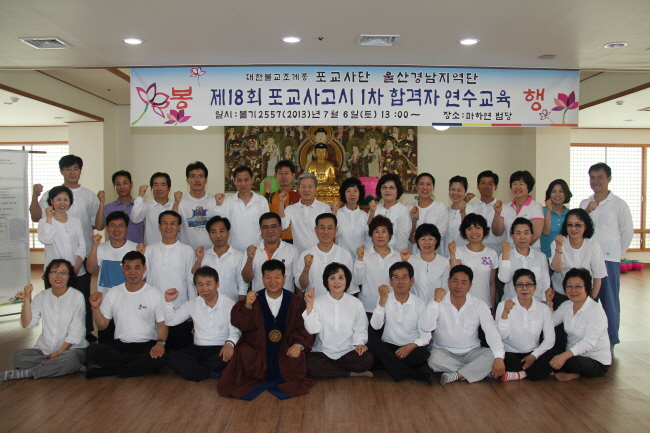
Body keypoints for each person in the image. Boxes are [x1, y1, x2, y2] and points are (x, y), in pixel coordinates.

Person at [217, 260, 314, 400]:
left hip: (285, 347)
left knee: (296, 358)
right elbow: (242, 325)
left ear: (284, 278)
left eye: (277, 277)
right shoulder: (254, 299)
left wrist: (298, 345)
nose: (273, 281)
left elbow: (304, 327)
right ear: (262, 279)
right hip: (259, 348)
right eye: (268, 277)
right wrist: (247, 306)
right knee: (244, 352)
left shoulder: (295, 302)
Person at [31, 155, 100, 341]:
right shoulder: (47, 217)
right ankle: (57, 335)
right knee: (56, 301)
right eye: (68, 168)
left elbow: (83, 241)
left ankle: (84, 333)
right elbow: (44, 236)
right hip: (54, 268)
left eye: (75, 168)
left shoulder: (83, 206)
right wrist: (47, 215)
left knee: (81, 300)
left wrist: (77, 264)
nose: (72, 172)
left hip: (79, 263)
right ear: (52, 201)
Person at [85, 251, 168, 378]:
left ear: (144, 268)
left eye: (137, 268)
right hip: (120, 346)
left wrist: (160, 344)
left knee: (161, 358)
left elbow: (162, 324)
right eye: (128, 268)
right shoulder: (113, 293)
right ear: (123, 269)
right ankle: (132, 368)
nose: (132, 272)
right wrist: (95, 308)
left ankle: (111, 371)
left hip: (146, 345)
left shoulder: (155, 294)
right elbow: (102, 326)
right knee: (92, 351)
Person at [1, 260, 87, 381]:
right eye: (54, 272)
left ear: (69, 276)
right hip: (44, 350)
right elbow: (27, 324)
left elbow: (76, 331)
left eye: (63, 273)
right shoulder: (41, 296)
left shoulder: (77, 296)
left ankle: (28, 373)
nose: (58, 276)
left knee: (72, 358)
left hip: (71, 349)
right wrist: (27, 298)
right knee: (18, 357)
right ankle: (59, 367)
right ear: (48, 275)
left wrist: (58, 353)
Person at [579, 162, 633, 348]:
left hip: (609, 260)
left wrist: (616, 253)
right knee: (586, 302)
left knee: (610, 303)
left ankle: (610, 342)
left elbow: (627, 232)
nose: (596, 181)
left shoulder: (619, 204)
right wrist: (587, 211)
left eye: (600, 177)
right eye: (592, 178)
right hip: (587, 261)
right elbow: (577, 226)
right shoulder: (585, 204)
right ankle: (586, 341)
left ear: (609, 179)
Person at [424, 265, 506, 385]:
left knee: (493, 355)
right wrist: (436, 301)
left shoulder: (479, 304)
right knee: (433, 359)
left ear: (470, 285)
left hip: (471, 352)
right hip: (443, 351)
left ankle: (458, 374)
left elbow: (491, 331)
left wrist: (498, 357)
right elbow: (426, 327)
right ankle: (477, 371)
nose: (458, 286)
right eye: (455, 281)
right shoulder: (438, 301)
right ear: (448, 282)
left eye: (463, 283)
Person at [164, 266, 241, 382]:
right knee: (172, 358)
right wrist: (169, 302)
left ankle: (196, 371)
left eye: (209, 284)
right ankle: (210, 372)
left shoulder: (230, 304)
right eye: (200, 285)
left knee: (235, 356)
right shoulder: (192, 304)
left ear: (217, 284)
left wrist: (230, 344)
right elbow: (171, 321)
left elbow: (235, 330)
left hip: (221, 348)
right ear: (196, 286)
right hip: (199, 349)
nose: (205, 289)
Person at [302, 263, 374, 379]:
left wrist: (359, 343)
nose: (337, 282)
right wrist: (309, 304)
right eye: (332, 278)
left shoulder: (356, 303)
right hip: (323, 352)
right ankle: (351, 373)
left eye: (341, 278)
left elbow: (361, 328)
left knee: (367, 359)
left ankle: (331, 370)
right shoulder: (318, 302)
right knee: (309, 364)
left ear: (347, 280)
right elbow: (312, 329)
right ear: (326, 281)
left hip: (348, 351)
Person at [137, 211, 196, 350]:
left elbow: (190, 281)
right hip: (154, 309)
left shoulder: (187, 251)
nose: (168, 227)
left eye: (172, 223)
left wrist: (192, 308)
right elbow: (142, 279)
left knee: (180, 351)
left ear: (179, 227)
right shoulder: (149, 250)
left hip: (179, 309)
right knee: (155, 350)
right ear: (159, 226)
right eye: (165, 223)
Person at [366, 261, 433, 384]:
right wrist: (382, 301)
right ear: (391, 282)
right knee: (373, 343)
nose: (400, 281)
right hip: (388, 346)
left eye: (404, 277)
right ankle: (411, 373)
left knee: (423, 354)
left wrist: (410, 346)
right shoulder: (384, 298)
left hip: (410, 347)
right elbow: (375, 326)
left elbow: (426, 335)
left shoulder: (420, 303)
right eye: (396, 277)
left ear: (411, 281)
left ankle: (390, 365)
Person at [546, 268, 611, 381]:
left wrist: (563, 356)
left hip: (595, 361)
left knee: (571, 362)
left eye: (578, 286)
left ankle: (570, 372)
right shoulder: (566, 306)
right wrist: (548, 302)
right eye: (569, 286)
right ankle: (557, 371)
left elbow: (588, 343)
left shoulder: (595, 310)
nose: (573, 290)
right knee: (545, 354)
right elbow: (548, 323)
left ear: (587, 288)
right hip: (571, 355)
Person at [85, 211, 138, 343]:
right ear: (107, 228)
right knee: (106, 343)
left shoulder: (135, 248)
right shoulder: (101, 248)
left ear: (126, 228)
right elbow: (90, 269)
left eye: (121, 225)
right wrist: (94, 247)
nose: (116, 229)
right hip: (106, 303)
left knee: (126, 341)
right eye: (112, 225)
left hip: (128, 304)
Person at [495, 269, 555, 381]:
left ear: (535, 287)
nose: (524, 288)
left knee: (555, 355)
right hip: (510, 353)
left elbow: (550, 338)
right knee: (497, 358)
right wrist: (505, 314)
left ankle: (520, 374)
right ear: (514, 288)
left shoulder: (543, 309)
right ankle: (533, 373)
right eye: (520, 285)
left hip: (533, 353)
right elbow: (500, 337)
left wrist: (534, 355)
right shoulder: (503, 305)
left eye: (528, 285)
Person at [549, 208, 607, 308]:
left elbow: (598, 276)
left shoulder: (593, 245)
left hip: (585, 293)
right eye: (570, 225)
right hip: (561, 292)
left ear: (585, 226)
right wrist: (559, 247)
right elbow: (557, 268)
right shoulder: (558, 242)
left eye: (578, 225)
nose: (573, 229)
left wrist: (591, 299)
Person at [296, 213, 356, 298]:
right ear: (316, 229)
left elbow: (351, 288)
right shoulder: (306, 254)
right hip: (313, 304)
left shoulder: (345, 254)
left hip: (338, 304)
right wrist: (306, 268)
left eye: (330, 228)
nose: (326, 232)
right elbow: (302, 286)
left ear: (336, 230)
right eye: (322, 228)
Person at [37, 186, 86, 284]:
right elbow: (46, 240)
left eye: (65, 199)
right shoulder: (44, 221)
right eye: (58, 199)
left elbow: (82, 246)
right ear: (51, 201)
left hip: (75, 271)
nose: (62, 203)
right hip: (54, 273)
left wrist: (76, 266)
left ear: (70, 202)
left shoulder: (75, 221)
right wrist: (49, 218)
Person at [353, 216, 402, 314]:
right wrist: (360, 259)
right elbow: (357, 281)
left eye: (384, 231)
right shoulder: (364, 255)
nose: (380, 236)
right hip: (368, 307)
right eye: (376, 232)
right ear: (371, 235)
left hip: (391, 308)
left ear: (390, 234)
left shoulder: (398, 256)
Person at [449, 213, 498, 309]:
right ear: (464, 232)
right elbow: (456, 275)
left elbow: (492, 284)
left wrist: (492, 308)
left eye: (478, 228)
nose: (474, 232)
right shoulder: (458, 251)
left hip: (485, 305)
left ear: (484, 230)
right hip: (463, 305)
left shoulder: (492, 253)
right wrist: (452, 253)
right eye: (469, 229)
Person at [192, 216, 247, 302]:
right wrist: (199, 259)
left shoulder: (239, 256)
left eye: (221, 231)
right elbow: (194, 278)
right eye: (213, 232)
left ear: (228, 233)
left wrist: (241, 306)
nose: (218, 236)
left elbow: (242, 285)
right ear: (209, 235)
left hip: (231, 303)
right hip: (206, 304)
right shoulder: (203, 255)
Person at [215, 166, 270, 252]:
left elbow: (266, 226)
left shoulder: (262, 201)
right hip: (234, 251)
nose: (243, 183)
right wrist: (218, 205)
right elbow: (220, 225)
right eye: (239, 180)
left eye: (246, 180)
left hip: (257, 250)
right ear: (234, 182)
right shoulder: (228, 202)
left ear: (252, 180)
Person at [243, 212, 300, 294]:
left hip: (286, 299)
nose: (270, 231)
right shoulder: (252, 250)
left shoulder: (292, 250)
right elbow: (246, 279)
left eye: (273, 226)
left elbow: (297, 280)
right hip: (259, 299)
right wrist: (249, 259)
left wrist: (299, 300)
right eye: (265, 227)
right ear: (260, 230)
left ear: (280, 228)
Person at [498, 217, 551, 302]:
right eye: (518, 233)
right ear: (512, 236)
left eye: (526, 233)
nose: (522, 237)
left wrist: (544, 302)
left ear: (532, 235)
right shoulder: (505, 255)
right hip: (512, 304)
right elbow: (505, 279)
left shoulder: (540, 257)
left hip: (536, 303)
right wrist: (506, 255)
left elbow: (546, 283)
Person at [491, 170, 544, 251]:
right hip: (510, 253)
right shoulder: (505, 207)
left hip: (530, 253)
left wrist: (520, 251)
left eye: (521, 184)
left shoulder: (536, 206)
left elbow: (536, 234)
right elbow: (497, 232)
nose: (517, 187)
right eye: (514, 183)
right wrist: (497, 213)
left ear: (529, 187)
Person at [279, 172, 331, 254]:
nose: (306, 190)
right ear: (298, 189)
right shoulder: (291, 209)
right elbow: (282, 225)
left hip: (320, 254)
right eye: (303, 186)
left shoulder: (324, 208)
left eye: (310, 186)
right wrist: (281, 203)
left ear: (315, 188)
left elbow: (330, 232)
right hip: (298, 254)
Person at [173, 161, 216, 249]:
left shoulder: (214, 201)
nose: (197, 180)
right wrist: (176, 203)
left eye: (200, 176)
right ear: (187, 180)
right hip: (186, 251)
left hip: (210, 252)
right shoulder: (180, 201)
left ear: (206, 180)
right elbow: (172, 223)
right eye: (193, 176)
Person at [403, 223, 449, 303]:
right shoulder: (410, 260)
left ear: (436, 241)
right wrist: (403, 262)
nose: (427, 243)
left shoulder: (445, 263)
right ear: (418, 241)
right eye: (423, 239)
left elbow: (446, 289)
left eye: (430, 239)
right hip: (415, 305)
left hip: (438, 305)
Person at [366, 174, 410, 252]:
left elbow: (402, 238)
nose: (387, 190)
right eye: (384, 187)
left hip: (395, 254)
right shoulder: (375, 208)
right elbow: (368, 233)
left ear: (397, 190)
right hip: (374, 253)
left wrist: (395, 256)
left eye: (392, 188)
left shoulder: (402, 210)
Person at [407, 173, 448, 254]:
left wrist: (418, 238)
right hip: (413, 253)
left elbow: (441, 233)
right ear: (416, 186)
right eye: (421, 184)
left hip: (434, 253)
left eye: (428, 184)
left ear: (433, 187)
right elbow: (405, 232)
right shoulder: (408, 207)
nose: (425, 187)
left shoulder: (440, 206)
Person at [99, 170, 144, 243]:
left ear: (131, 184)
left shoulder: (140, 207)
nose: (122, 187)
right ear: (114, 187)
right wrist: (101, 203)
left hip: (137, 248)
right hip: (114, 248)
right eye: (118, 184)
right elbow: (99, 227)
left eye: (125, 183)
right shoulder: (108, 208)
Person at [130, 172, 174, 246]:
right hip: (151, 250)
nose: (159, 188)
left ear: (169, 188)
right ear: (151, 188)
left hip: (173, 249)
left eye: (163, 185)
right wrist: (140, 196)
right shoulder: (146, 206)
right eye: (156, 185)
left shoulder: (175, 205)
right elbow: (135, 219)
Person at [262, 160, 300, 243]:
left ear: (293, 175)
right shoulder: (271, 196)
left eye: (286, 173)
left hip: (296, 239)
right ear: (275, 176)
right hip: (275, 239)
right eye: (280, 173)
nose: (283, 177)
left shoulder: (299, 197)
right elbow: (263, 213)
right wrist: (266, 190)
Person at [331, 177, 368, 260]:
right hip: (341, 259)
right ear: (343, 194)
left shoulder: (365, 216)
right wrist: (334, 213)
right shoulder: (338, 213)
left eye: (355, 191)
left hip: (360, 259)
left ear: (360, 193)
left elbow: (368, 239)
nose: (352, 194)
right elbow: (334, 234)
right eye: (348, 191)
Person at [443, 176, 477, 257]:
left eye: (459, 190)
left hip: (466, 255)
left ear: (465, 192)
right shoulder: (445, 210)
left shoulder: (472, 210)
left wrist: (463, 213)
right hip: (447, 255)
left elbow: (471, 232)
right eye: (453, 189)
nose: (455, 193)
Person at [541, 179, 572, 259]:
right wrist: (549, 211)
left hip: (565, 258)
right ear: (549, 194)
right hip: (545, 256)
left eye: (561, 191)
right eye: (554, 191)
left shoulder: (570, 214)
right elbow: (546, 232)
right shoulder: (541, 211)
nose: (557, 195)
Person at [474, 170, 502, 253]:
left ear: (495, 187)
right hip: (474, 252)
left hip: (496, 252)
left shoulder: (502, 208)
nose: (486, 186)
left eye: (490, 184)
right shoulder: (471, 207)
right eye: (483, 183)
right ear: (478, 186)